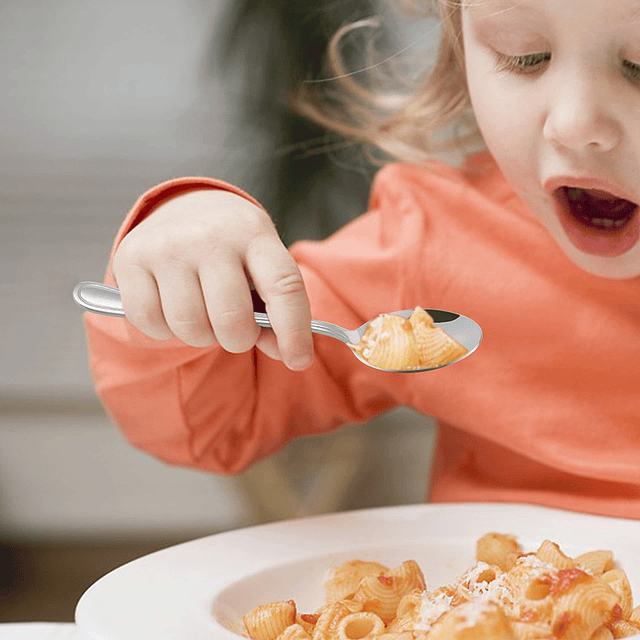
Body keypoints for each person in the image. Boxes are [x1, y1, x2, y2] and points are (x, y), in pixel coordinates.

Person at [83, 0, 640, 520]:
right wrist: (185, 265)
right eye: (525, 57)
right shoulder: (432, 247)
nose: (573, 124)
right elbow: (207, 424)